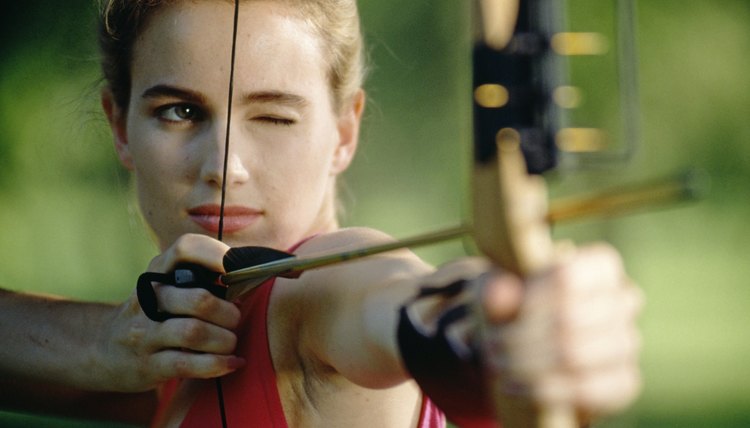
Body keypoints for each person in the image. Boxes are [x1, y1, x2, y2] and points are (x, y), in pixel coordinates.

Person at [0, 0, 642, 427]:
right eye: (179, 111)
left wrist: (493, 323)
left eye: (275, 116)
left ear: (344, 132)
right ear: (119, 126)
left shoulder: (317, 297)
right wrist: (102, 344)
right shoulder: (166, 344)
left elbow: (393, 304)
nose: (225, 166)